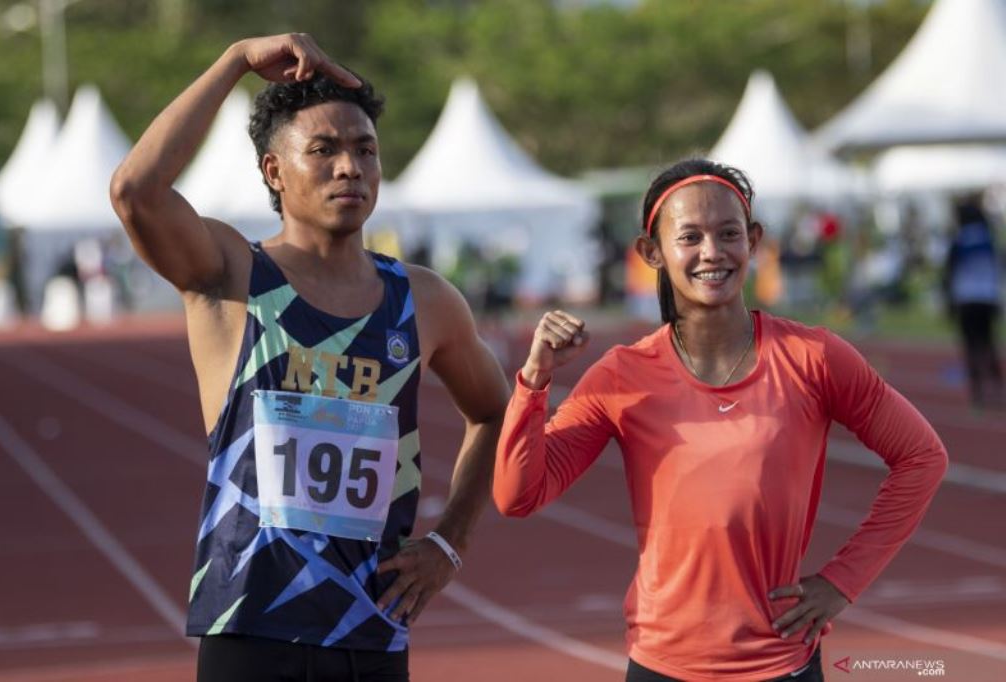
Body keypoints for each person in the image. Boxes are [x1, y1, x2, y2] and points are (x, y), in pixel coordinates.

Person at [110, 33, 509, 682]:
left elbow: (494, 410)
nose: (349, 167)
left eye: (365, 150)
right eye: (323, 150)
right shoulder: (233, 275)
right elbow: (136, 192)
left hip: (371, 629)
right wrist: (235, 60)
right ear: (274, 172)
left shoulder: (425, 300)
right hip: (251, 627)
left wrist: (450, 540)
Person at [493, 158, 948, 681]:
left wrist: (843, 580)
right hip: (662, 665)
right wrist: (534, 381)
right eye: (689, 236)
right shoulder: (622, 375)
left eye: (728, 233)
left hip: (782, 664)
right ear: (652, 253)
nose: (712, 252)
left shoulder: (814, 357)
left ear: (753, 241)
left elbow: (922, 457)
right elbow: (518, 496)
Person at [943, 194, 1004, 409]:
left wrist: (948, 302)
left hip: (966, 299)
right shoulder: (989, 238)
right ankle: (997, 386)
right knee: (989, 343)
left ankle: (977, 393)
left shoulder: (958, 240)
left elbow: (949, 273)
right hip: (987, 297)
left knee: (971, 346)